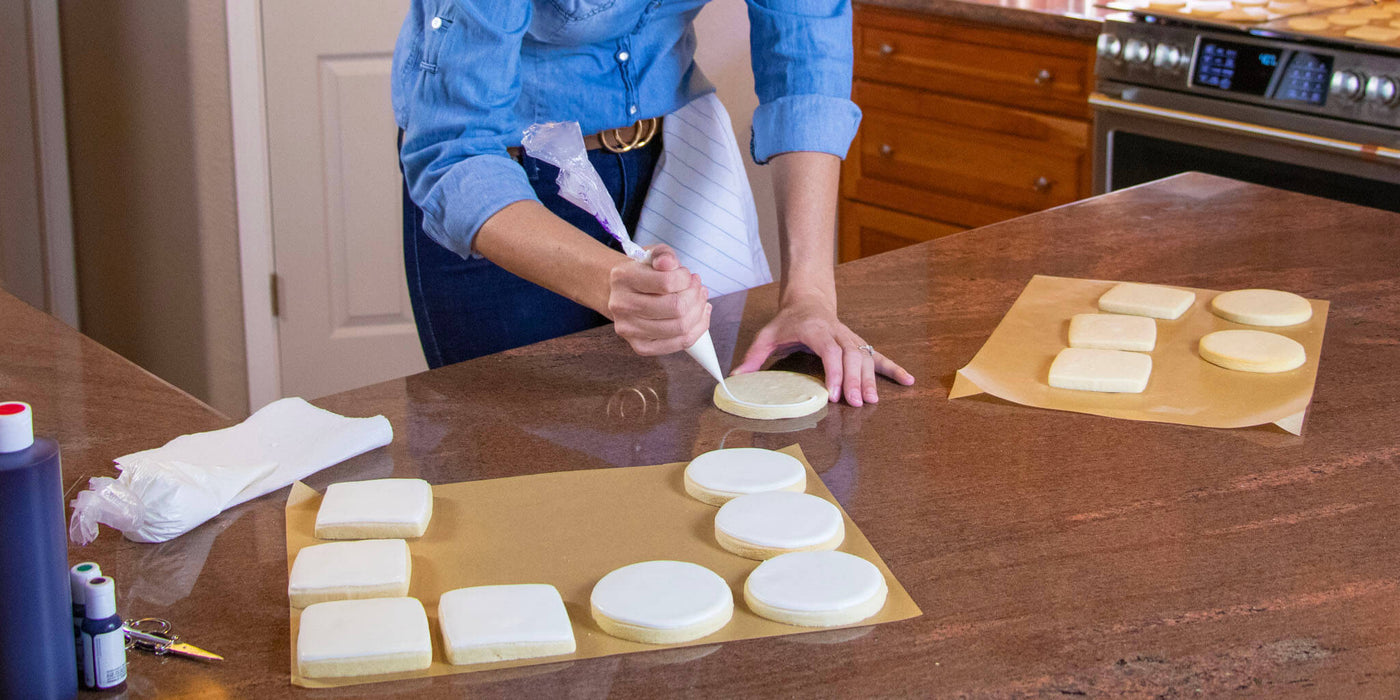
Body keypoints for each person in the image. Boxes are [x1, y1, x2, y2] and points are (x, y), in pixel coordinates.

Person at [393, 0, 914, 406]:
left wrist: (810, 297)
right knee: (523, 480)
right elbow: (454, 149)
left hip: (668, 159)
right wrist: (609, 280)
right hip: (507, 195)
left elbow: (806, 68)